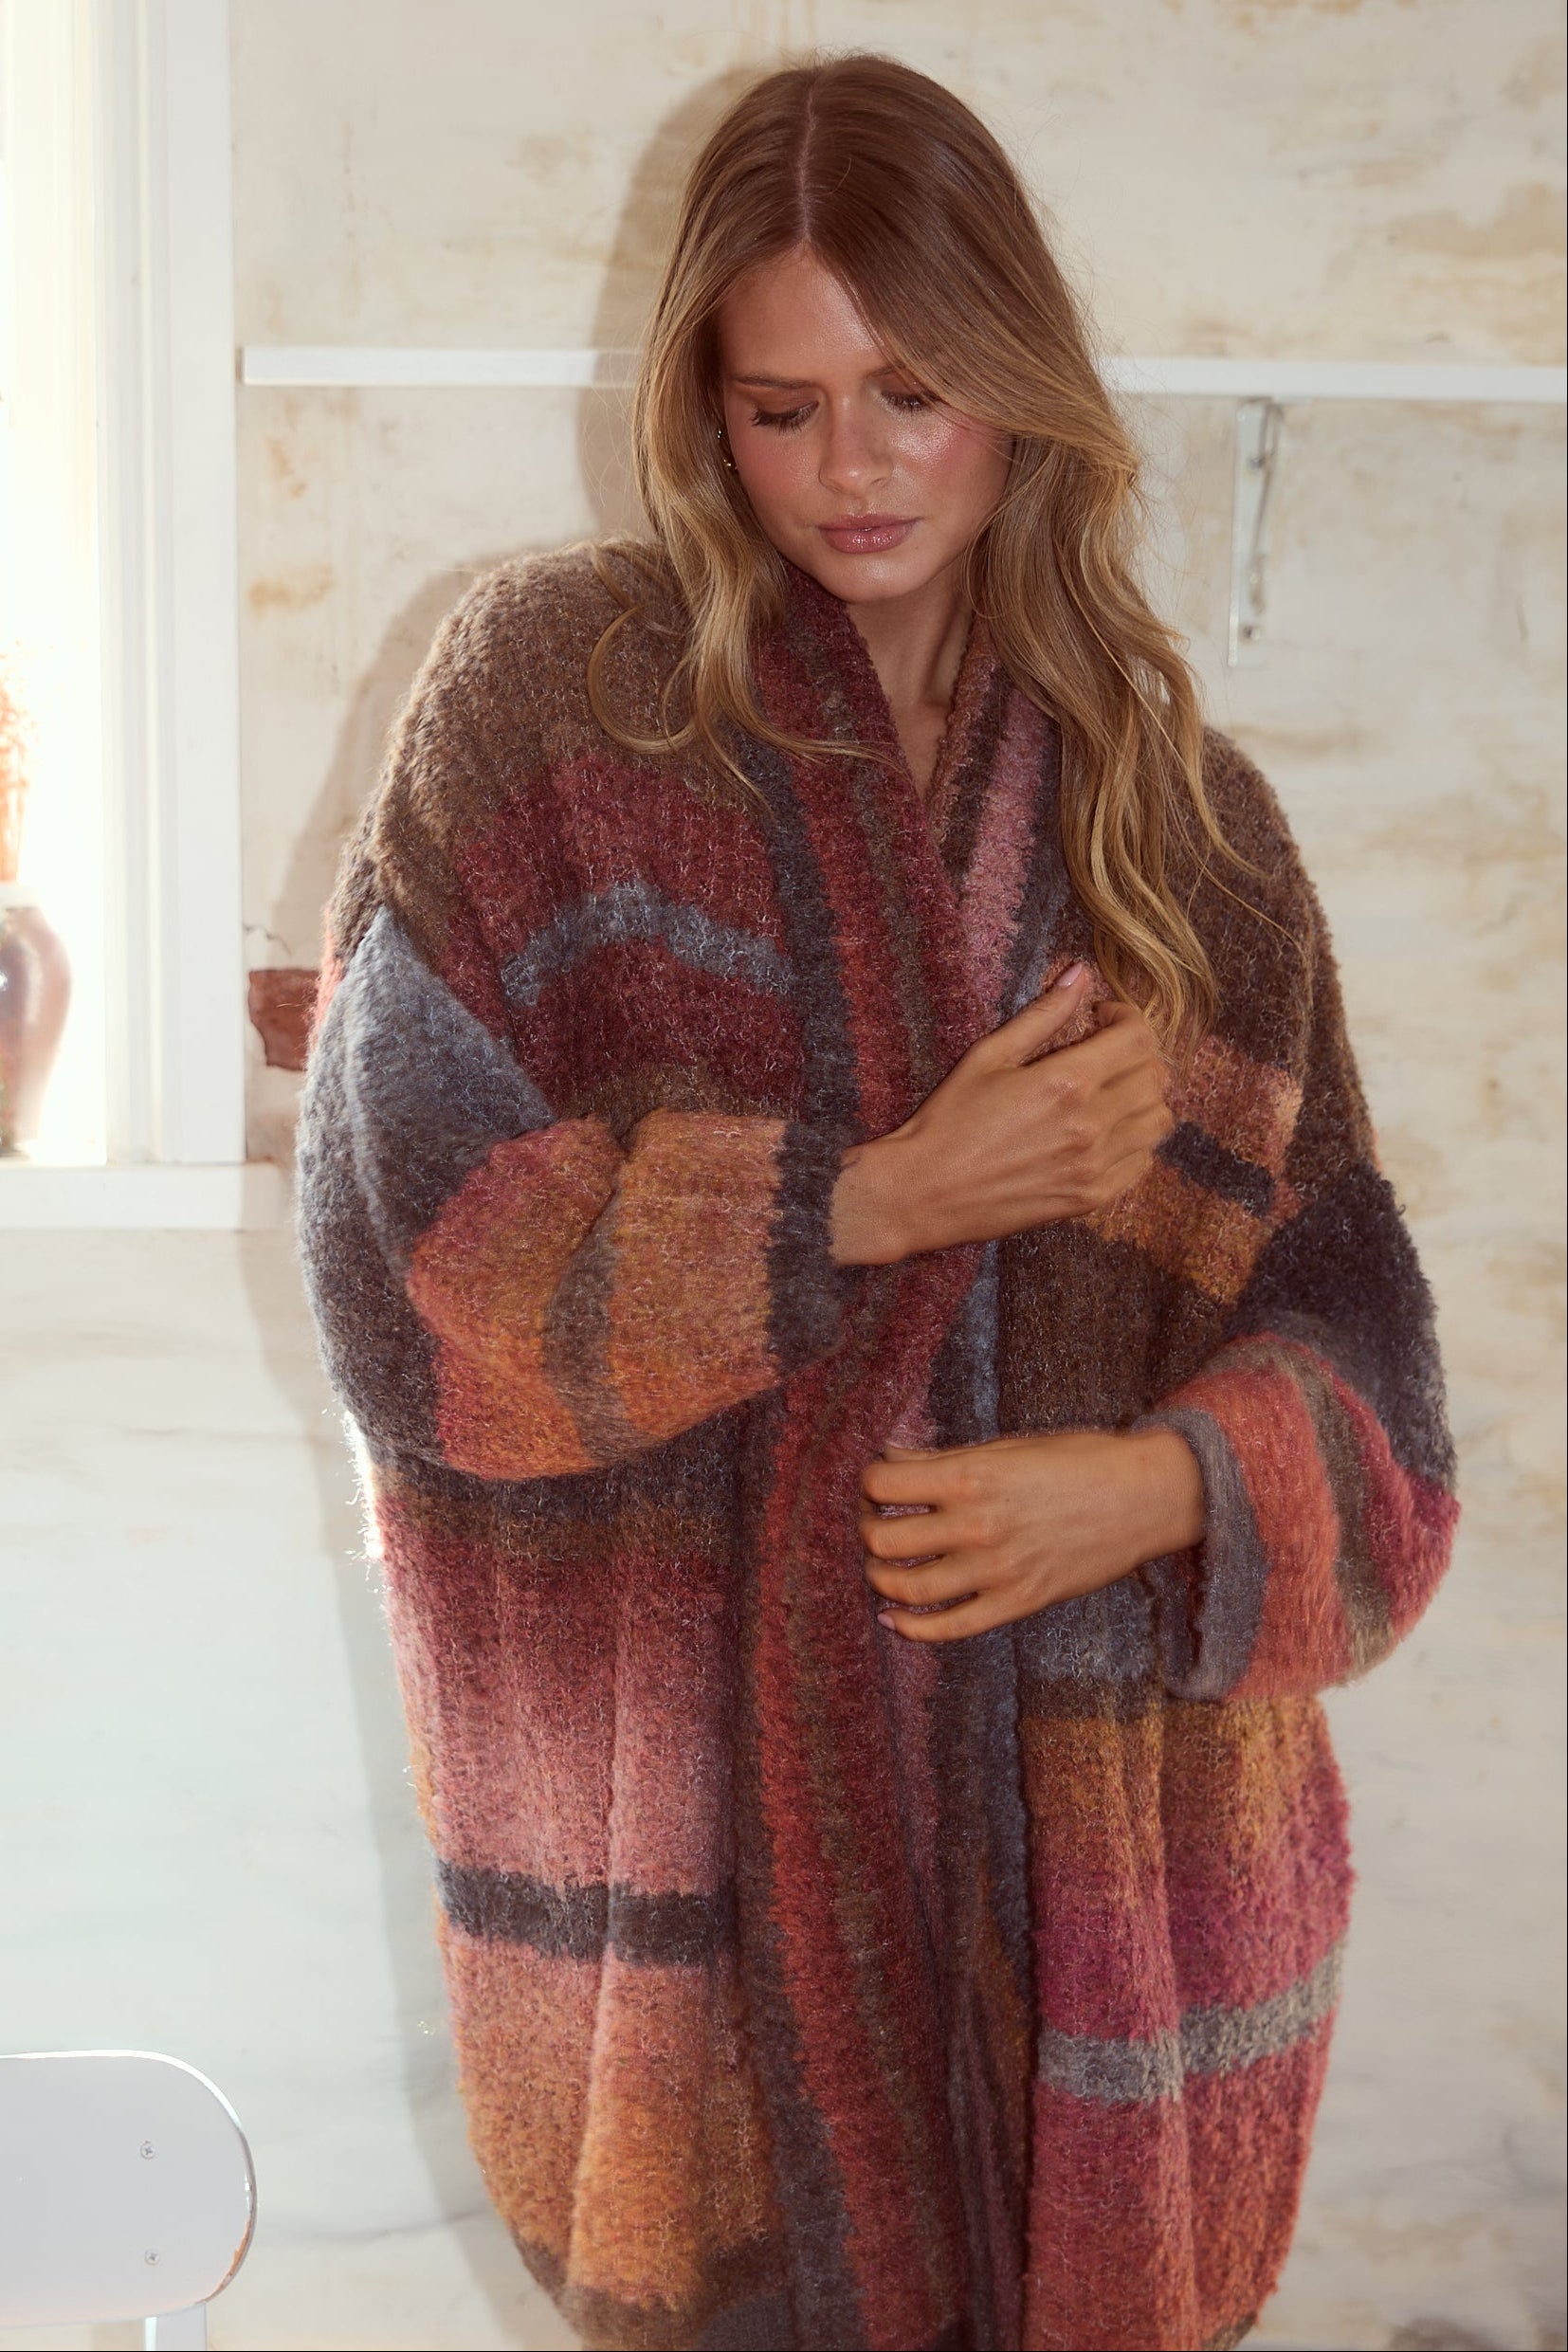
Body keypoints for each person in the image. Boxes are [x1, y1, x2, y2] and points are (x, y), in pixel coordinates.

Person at [297, 53, 1457, 2352]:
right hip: (692, 1902)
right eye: (781, 406)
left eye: (912, 392)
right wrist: (864, 1197)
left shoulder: (1180, 831)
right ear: (700, 414)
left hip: (1104, 1931)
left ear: (1017, 385)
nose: (850, 468)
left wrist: (1148, 1487)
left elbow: (1376, 1391)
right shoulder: (549, 714)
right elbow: (405, 1273)